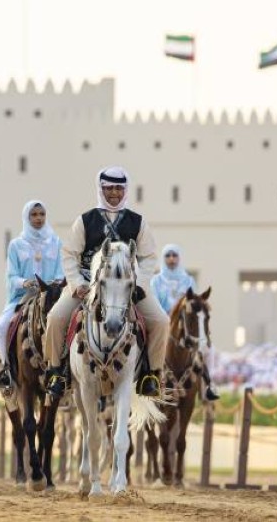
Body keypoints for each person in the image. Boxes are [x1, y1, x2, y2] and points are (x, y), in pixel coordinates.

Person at [44, 167, 169, 399]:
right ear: (101, 189)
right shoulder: (85, 220)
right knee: (55, 317)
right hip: (87, 284)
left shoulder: (138, 222)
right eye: (109, 188)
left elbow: (149, 257)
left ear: (125, 190)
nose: (114, 193)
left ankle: (150, 375)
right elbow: (69, 253)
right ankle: (57, 372)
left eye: (119, 188)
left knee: (161, 321)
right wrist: (76, 283)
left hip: (127, 286)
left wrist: (138, 285)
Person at [0, 200, 64, 391]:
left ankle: (64, 372)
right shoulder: (16, 245)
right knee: (2, 326)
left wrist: (53, 283)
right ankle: (4, 371)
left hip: (51, 296)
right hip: (23, 297)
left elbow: (61, 272)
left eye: (42, 214)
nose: (38, 218)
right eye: (34, 215)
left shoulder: (55, 242)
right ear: (26, 217)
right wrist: (24, 282)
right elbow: (11, 276)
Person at [150, 244, 220, 402]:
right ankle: (147, 381)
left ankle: (208, 387)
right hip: (162, 323)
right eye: (168, 256)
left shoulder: (188, 280)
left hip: (186, 326)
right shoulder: (156, 281)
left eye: (174, 256)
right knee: (144, 346)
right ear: (163, 259)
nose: (171, 259)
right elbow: (153, 304)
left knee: (208, 349)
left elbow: (194, 304)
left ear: (179, 258)